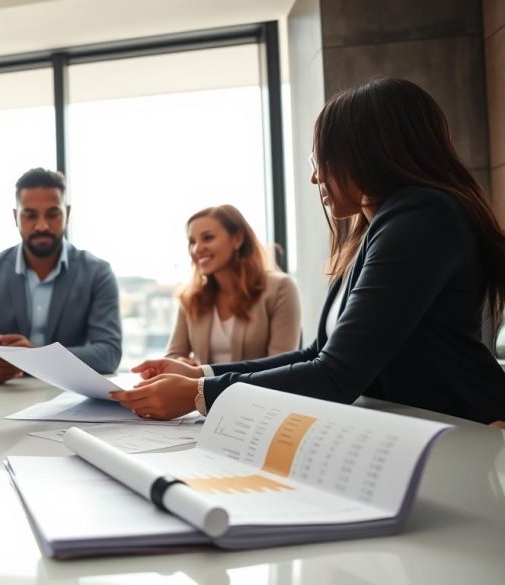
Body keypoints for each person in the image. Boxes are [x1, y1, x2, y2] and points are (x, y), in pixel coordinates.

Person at [115, 78, 505, 425]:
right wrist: (200, 375)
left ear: (369, 152)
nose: (315, 176)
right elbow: (316, 354)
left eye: (322, 159)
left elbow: (334, 375)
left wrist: (200, 396)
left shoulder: (421, 218)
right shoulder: (378, 231)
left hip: (464, 434)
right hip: (417, 431)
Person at [0, 167, 122, 383]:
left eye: (52, 214)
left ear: (67, 214)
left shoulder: (97, 273)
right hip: (2, 399)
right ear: (16, 217)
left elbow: (109, 353)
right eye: (30, 215)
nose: (41, 225)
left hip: (69, 397)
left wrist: (38, 358)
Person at [163, 204, 301, 366]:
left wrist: (203, 375)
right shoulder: (192, 297)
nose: (197, 249)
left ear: (237, 239)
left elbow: (280, 368)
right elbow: (172, 357)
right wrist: (181, 364)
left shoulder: (281, 288)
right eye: (192, 242)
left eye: (208, 238)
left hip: (258, 392)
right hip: (202, 391)